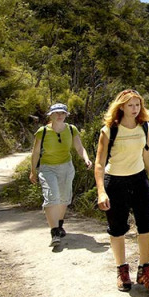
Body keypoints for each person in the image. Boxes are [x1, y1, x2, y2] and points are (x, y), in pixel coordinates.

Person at [94, 89, 149, 292]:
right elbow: (99, 163)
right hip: (115, 182)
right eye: (130, 105)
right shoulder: (109, 131)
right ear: (121, 106)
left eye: (137, 105)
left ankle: (144, 270)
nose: (134, 109)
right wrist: (101, 191)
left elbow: (147, 153)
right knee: (117, 228)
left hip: (139, 180)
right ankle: (122, 271)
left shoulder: (144, 127)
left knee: (147, 225)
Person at [30, 103, 93, 247]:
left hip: (66, 167)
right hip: (47, 168)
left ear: (66, 115)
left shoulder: (71, 129)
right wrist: (33, 171)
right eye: (56, 113)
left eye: (62, 113)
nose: (59, 115)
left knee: (64, 198)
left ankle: (59, 224)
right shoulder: (42, 131)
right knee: (52, 196)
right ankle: (54, 232)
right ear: (50, 115)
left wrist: (86, 158)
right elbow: (36, 152)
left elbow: (79, 147)